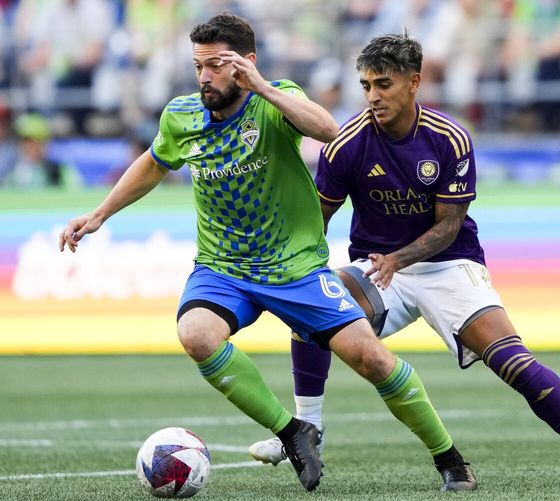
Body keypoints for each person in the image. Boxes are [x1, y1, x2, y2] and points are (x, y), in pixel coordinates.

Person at [60, 13, 476, 493]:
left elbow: (328, 130)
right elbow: (153, 165)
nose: (204, 77)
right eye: (199, 65)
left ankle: (450, 460)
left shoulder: (275, 100)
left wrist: (261, 88)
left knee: (372, 360)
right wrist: (99, 215)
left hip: (294, 266)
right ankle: (293, 431)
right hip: (223, 268)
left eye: (216, 65)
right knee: (196, 334)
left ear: (245, 63)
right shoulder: (182, 116)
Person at [248, 32, 560, 487]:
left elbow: (448, 227)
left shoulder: (449, 138)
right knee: (311, 310)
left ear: (414, 82)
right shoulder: (345, 143)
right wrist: (294, 271)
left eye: (383, 84)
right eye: (366, 85)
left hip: (448, 265)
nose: (373, 96)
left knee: (513, 362)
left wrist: (398, 260)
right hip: (377, 268)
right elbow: (318, 219)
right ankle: (310, 428)